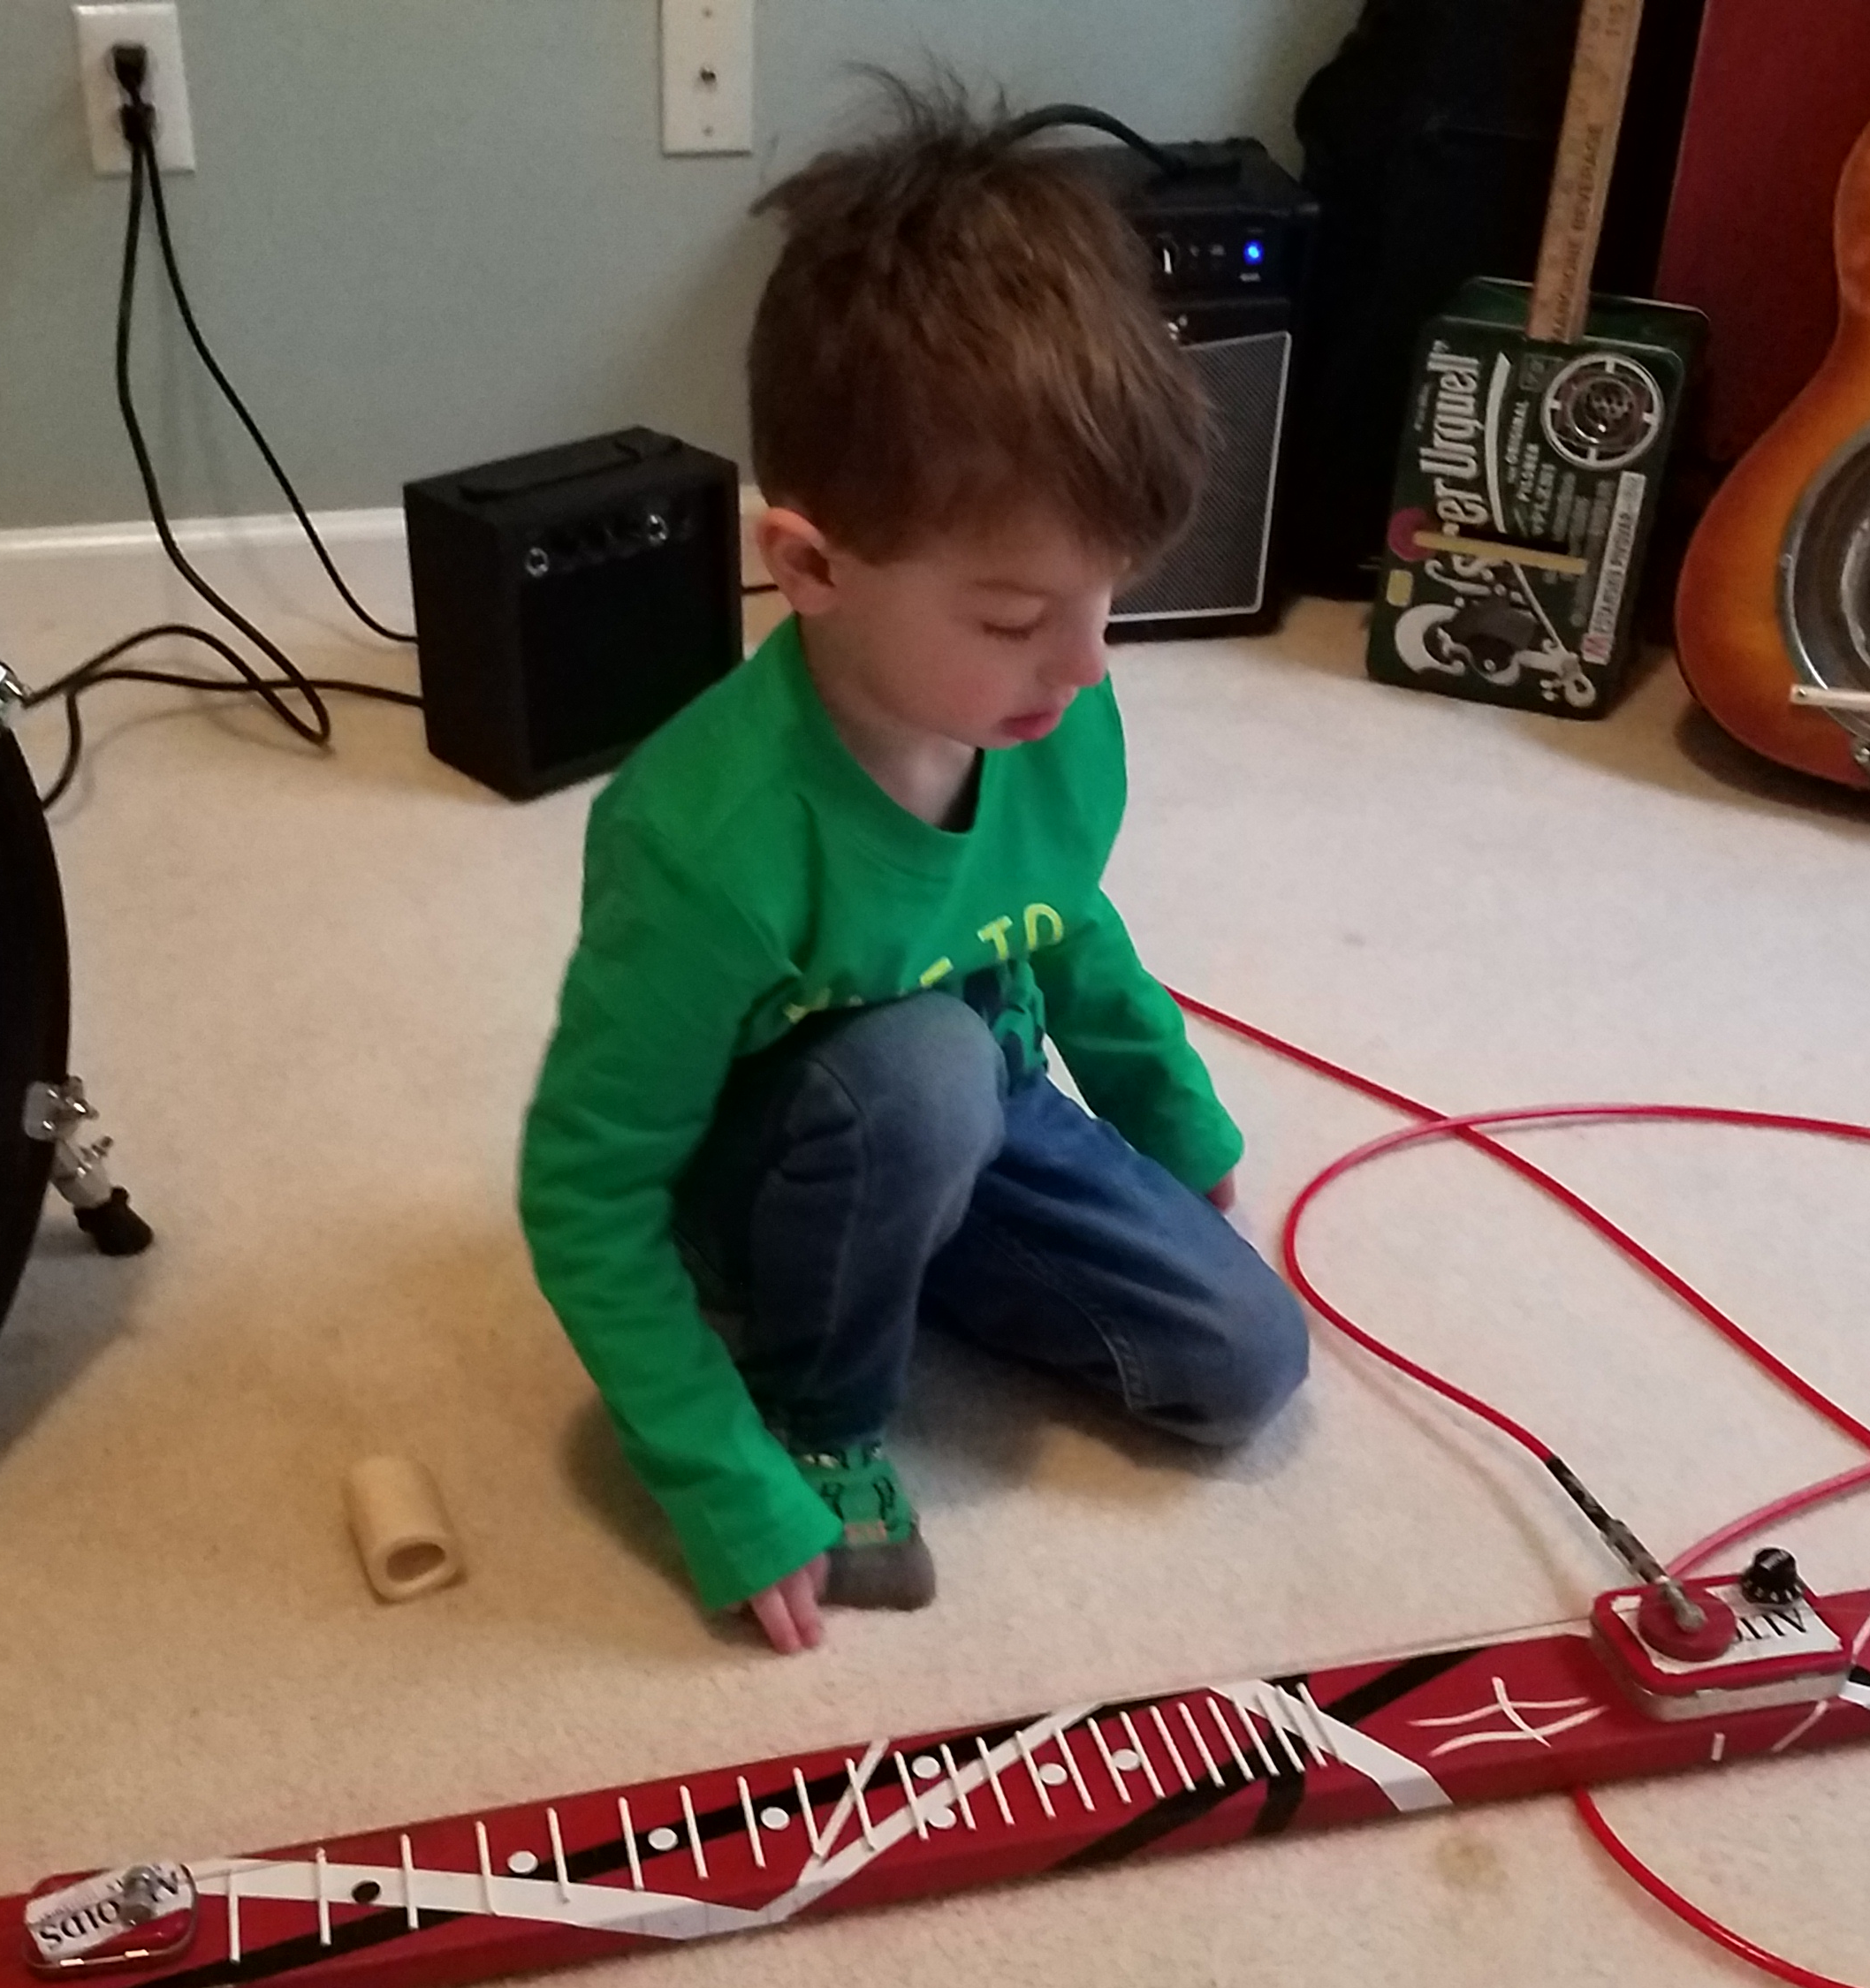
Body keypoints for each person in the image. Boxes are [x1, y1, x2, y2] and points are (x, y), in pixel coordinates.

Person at [518, 79, 1308, 1655]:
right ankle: (817, 1401)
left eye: (1107, 602)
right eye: (1017, 617)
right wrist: (715, 1478)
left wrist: (1175, 1123)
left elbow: (1071, 922)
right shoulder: (704, 841)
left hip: (967, 1106)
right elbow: (580, 1188)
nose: (1083, 664)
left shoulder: (1054, 715)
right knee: (922, 1072)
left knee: (1243, 1367)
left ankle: (905, 1239)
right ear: (809, 566)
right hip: (771, 1156)